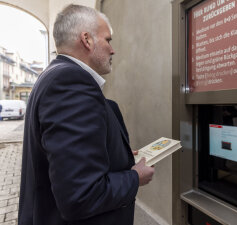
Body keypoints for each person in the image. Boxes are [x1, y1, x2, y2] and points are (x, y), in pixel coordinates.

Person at [18, 4, 154, 225]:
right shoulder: (71, 83)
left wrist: (114, 151)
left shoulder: (54, 75)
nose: (113, 50)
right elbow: (81, 195)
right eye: (108, 40)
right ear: (87, 40)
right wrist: (135, 177)